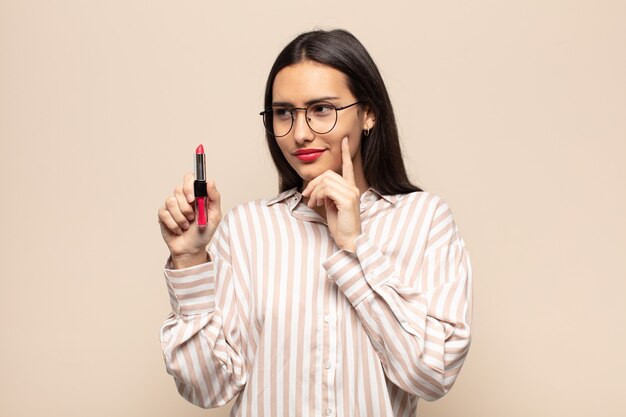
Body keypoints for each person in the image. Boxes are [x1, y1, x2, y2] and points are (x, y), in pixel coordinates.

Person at [157, 28, 473, 416]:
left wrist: (357, 248)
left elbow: (430, 375)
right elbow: (207, 389)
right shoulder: (249, 229)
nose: (301, 133)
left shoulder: (424, 221)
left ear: (368, 113)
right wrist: (190, 263)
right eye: (284, 113)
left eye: (322, 109)